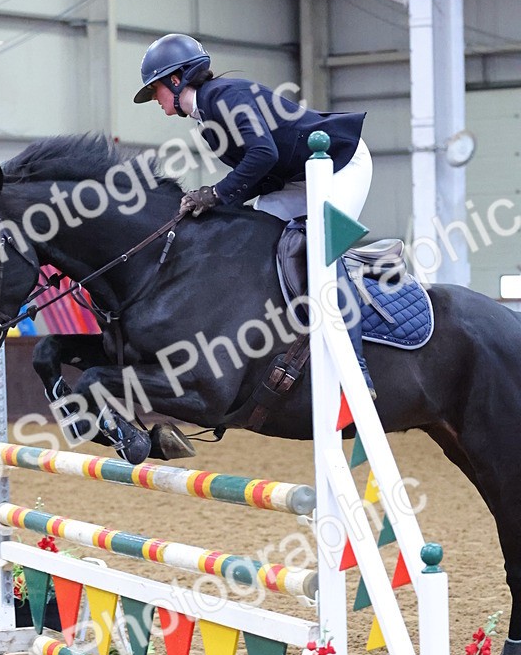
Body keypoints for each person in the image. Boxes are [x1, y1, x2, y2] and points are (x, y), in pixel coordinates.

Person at [133, 32, 376, 397]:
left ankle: (355, 369)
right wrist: (217, 208)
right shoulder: (206, 119)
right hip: (297, 176)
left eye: (155, 90)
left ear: (175, 79)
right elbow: (258, 172)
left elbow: (262, 155)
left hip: (341, 162)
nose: (155, 99)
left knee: (320, 244)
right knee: (256, 226)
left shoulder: (222, 97)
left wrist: (215, 194)